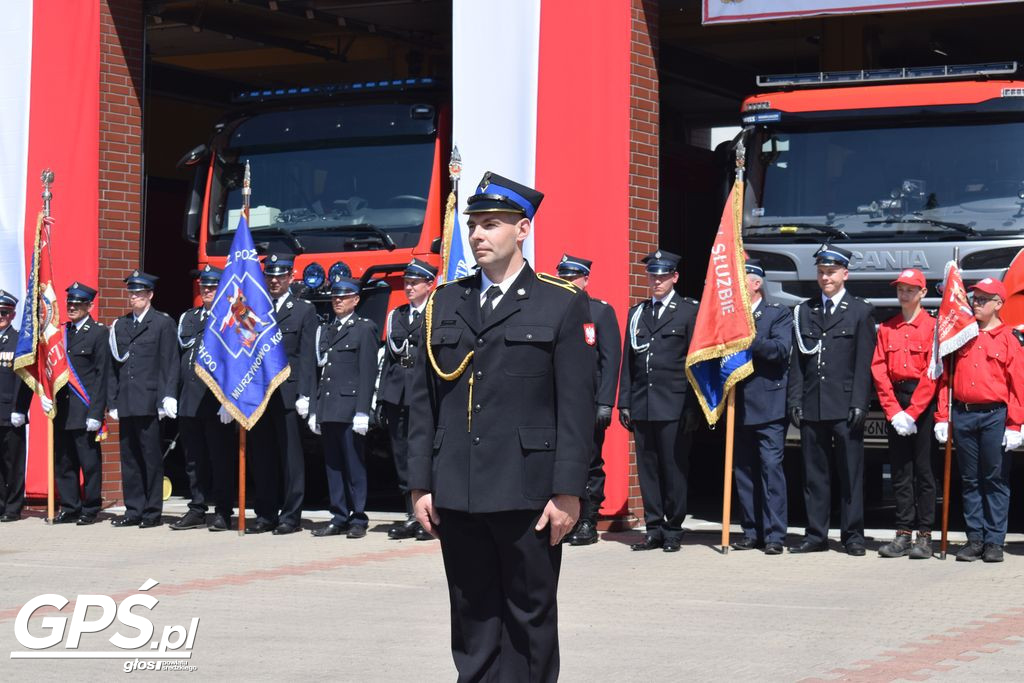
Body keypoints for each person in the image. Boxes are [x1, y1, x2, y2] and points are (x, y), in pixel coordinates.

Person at [407, 172, 595, 682]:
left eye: (491, 224)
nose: (477, 236)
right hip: (458, 488)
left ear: (523, 230)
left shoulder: (560, 303)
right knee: (471, 616)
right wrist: (421, 483)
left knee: (528, 616)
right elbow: (424, 402)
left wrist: (568, 492)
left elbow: (576, 408)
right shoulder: (444, 302)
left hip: (526, 492)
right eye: (473, 225)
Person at [787, 245, 875, 556]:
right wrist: (794, 400)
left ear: (845, 274)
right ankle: (816, 534)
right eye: (822, 272)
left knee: (850, 473)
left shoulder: (860, 311)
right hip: (813, 404)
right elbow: (797, 362)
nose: (826, 277)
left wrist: (860, 403)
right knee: (815, 474)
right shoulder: (804, 311)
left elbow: (864, 363)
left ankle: (852, 535)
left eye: (832, 272)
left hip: (845, 405)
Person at [934, 277, 1024, 563]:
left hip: (994, 415)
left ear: (999, 304)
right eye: (975, 298)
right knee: (970, 480)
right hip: (963, 413)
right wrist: (941, 417)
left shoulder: (1009, 339)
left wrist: (1015, 424)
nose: (976, 303)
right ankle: (975, 539)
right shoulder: (961, 335)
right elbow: (944, 379)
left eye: (984, 299)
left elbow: (1018, 385)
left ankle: (994, 541)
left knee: (994, 479)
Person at [618, 249, 699, 553]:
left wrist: (692, 406)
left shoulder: (689, 311)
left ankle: (674, 527)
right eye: (653, 275)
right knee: (648, 468)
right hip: (643, 403)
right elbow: (628, 362)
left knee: (674, 468)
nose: (656, 281)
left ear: (674, 277)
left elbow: (695, 363)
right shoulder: (637, 313)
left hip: (675, 405)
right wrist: (624, 402)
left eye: (663, 276)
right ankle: (653, 527)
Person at [247, 254, 317, 535]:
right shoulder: (253, 308)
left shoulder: (303, 310)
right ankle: (265, 514)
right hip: (259, 395)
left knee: (290, 458)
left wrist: (305, 394)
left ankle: (290, 515)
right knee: (261, 456)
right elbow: (245, 351)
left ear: (290, 277)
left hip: (289, 393)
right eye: (270, 275)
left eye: (280, 275)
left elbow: (308, 356)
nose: (274, 280)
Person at [871, 268, 938, 559]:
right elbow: (879, 370)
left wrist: (913, 412)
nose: (904, 294)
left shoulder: (933, 328)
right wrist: (894, 410)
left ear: (923, 293)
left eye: (911, 289)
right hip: (896, 403)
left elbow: (933, 373)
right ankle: (902, 533)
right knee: (900, 471)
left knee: (924, 472)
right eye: (901, 289)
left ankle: (924, 536)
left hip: (922, 404)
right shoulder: (887, 328)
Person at [555, 254, 621, 546]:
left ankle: (587, 521)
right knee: (560, 461)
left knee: (590, 462)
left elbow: (610, 361)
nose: (567, 283)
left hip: (588, 404)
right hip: (556, 404)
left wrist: (605, 402)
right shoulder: (552, 310)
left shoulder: (600, 312)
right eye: (563, 278)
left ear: (585, 280)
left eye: (572, 278)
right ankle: (564, 518)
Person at [308, 275, 379, 538]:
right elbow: (321, 372)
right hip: (329, 407)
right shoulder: (327, 330)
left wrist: (363, 410)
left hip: (350, 409)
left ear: (356, 300)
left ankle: (358, 517)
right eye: (335, 296)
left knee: (353, 465)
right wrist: (315, 409)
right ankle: (338, 515)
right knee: (333, 466)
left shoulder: (364, 328)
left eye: (344, 296)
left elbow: (367, 371)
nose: (338, 300)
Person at [108, 270, 179, 528]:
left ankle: (151, 512)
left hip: (150, 402)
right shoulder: (122, 324)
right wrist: (112, 401)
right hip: (127, 402)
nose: (134, 298)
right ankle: (133, 510)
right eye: (132, 293)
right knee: (129, 459)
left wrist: (167, 397)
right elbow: (113, 368)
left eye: (139, 293)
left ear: (150, 295)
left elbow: (170, 363)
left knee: (150, 458)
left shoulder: (162, 323)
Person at [731, 260, 792, 555]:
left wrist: (750, 339)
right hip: (738, 405)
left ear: (756, 283)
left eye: (742, 279)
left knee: (771, 470)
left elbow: (781, 350)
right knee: (743, 471)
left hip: (768, 405)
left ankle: (774, 534)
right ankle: (751, 530)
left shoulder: (776, 314)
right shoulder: (729, 318)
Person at [172, 265, 238, 532]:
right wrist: (170, 394)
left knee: (220, 458)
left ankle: (223, 510)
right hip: (190, 397)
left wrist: (231, 399)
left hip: (217, 401)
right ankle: (197, 507)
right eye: (204, 287)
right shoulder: (189, 317)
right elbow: (176, 358)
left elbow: (242, 361)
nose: (207, 291)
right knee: (193, 459)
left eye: (212, 286)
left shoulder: (237, 315)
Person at [378, 258, 436, 541]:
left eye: (415, 283)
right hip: (397, 393)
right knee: (402, 457)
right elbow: (388, 361)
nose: (409, 288)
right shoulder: (396, 316)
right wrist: (380, 399)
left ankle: (431, 516)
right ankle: (411, 515)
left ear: (429, 284)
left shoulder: (436, 314)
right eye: (407, 283)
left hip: (424, 394)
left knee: (424, 455)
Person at [53, 283, 109, 525]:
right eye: (70, 304)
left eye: (78, 304)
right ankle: (70, 505)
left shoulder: (98, 333)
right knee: (64, 461)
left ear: (90, 306)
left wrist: (96, 412)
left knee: (89, 462)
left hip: (85, 409)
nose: (72, 308)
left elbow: (102, 374)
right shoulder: (62, 332)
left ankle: (90, 506)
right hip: (63, 409)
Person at [0, 290, 31, 522]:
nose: (1, 317)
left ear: (12, 315)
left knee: (13, 463)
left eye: (4, 313)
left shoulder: (19, 341)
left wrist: (20, 408)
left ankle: (12, 507)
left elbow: (25, 380)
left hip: (10, 412)